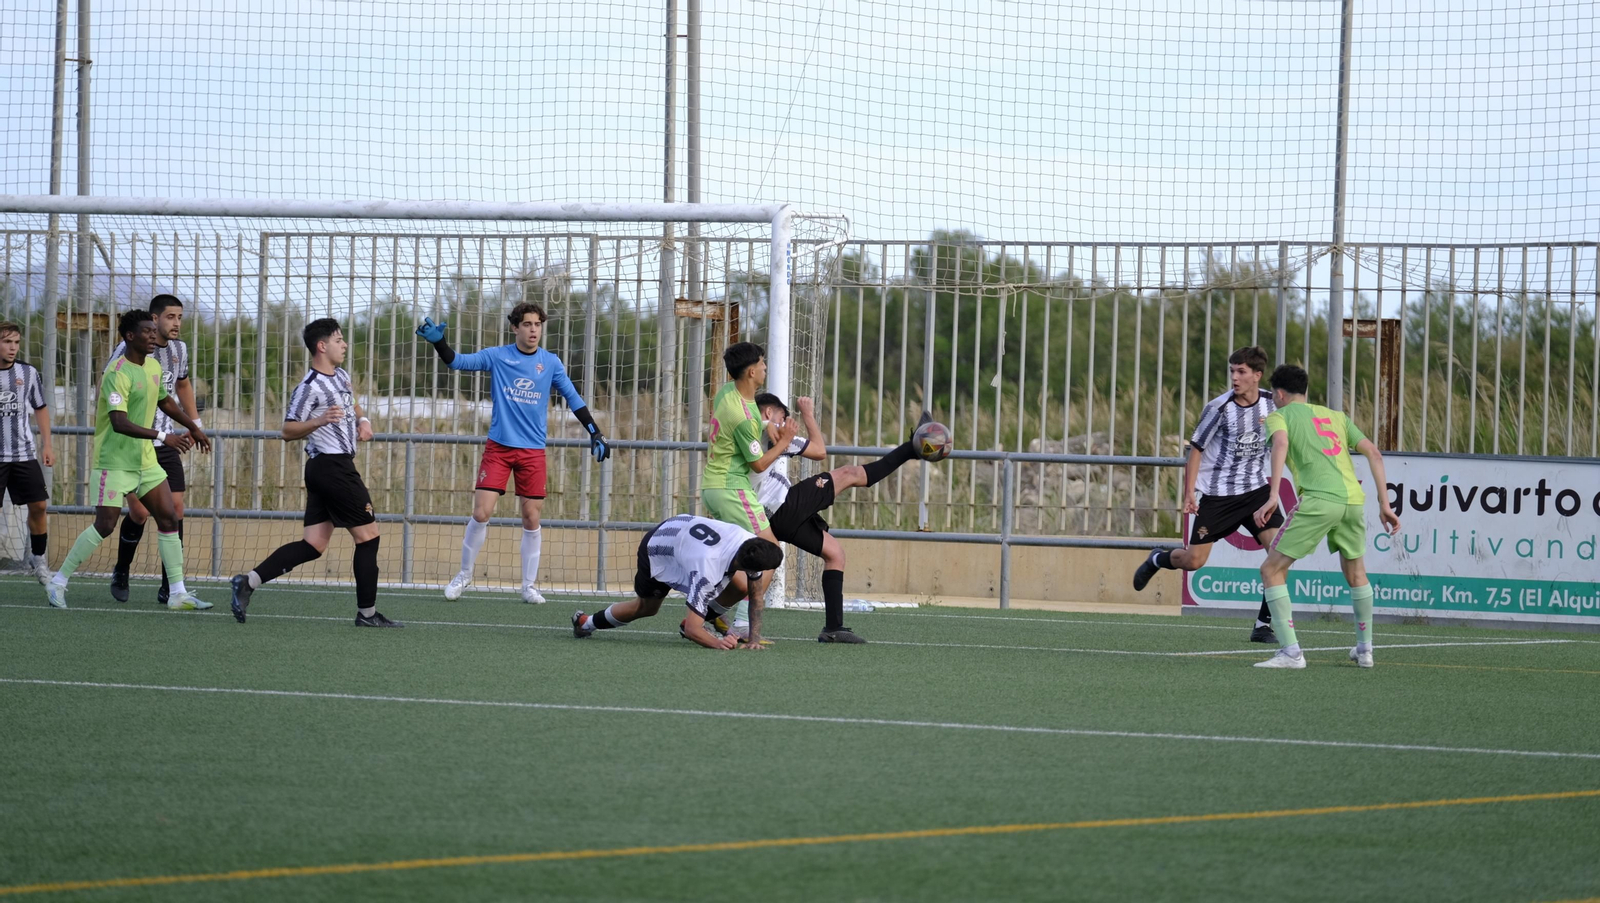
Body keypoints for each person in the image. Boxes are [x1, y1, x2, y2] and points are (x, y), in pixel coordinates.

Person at [415, 303, 610, 604]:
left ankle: (528, 586)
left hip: (532, 451)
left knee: (531, 517)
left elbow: (573, 398)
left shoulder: (550, 362)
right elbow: (457, 362)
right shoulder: (497, 356)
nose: (533, 330)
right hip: (499, 448)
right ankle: (464, 574)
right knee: (481, 512)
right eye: (527, 324)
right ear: (515, 328)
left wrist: (595, 432)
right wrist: (440, 343)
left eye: (538, 324)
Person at [229, 318, 401, 628]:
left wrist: (363, 421)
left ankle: (248, 582)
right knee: (368, 537)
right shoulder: (309, 387)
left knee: (313, 544)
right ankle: (367, 614)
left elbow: (353, 404)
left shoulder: (342, 376)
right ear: (322, 346)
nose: (344, 345)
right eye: (338, 340)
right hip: (332, 468)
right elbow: (287, 430)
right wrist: (319, 421)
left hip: (329, 468)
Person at [46, 310, 211, 610]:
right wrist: (163, 436)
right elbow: (119, 422)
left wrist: (193, 427)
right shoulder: (117, 373)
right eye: (147, 331)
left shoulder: (153, 366)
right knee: (105, 525)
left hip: (145, 461)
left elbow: (165, 400)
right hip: (114, 462)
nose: (153, 336)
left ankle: (177, 593)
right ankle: (58, 581)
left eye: (153, 331)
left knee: (169, 518)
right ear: (130, 336)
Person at [1249, 363, 1401, 669]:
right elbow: (1374, 453)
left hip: (1319, 500)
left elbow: (1281, 443)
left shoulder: (1279, 416)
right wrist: (1385, 504)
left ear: (1279, 394)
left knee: (1271, 570)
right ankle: (1365, 650)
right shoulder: (1337, 417)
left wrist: (1273, 495)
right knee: (1356, 574)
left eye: (1274, 395)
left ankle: (1291, 653)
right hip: (1353, 501)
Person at [1132, 346, 1283, 642]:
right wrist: (1189, 492)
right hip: (1219, 497)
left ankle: (1263, 626)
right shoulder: (1219, 407)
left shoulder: (1272, 404)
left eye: (1241, 372)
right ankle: (1158, 559)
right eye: (1232, 371)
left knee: (1280, 555)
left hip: (1256, 492)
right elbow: (1196, 449)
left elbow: (1286, 435)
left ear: (1257, 375)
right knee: (1194, 561)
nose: (1235, 378)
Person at [753, 392, 930, 643]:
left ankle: (833, 628)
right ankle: (910, 448)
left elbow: (817, 451)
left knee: (835, 554)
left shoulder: (766, 434)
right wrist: (807, 414)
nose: (785, 423)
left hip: (776, 518)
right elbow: (819, 451)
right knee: (849, 473)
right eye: (782, 417)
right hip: (784, 506)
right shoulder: (763, 431)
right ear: (769, 413)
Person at [107, 295, 202, 605]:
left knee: (176, 510)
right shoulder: (127, 351)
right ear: (154, 319)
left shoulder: (179, 350)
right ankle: (122, 570)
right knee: (140, 512)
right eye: (171, 317)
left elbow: (182, 384)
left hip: (166, 441)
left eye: (180, 317)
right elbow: (110, 388)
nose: (177, 323)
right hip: (134, 442)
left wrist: (194, 424)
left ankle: (171, 587)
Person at [570, 514, 783, 650]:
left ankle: (701, 616)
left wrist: (754, 639)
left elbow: (756, 595)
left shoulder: (750, 544)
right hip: (659, 546)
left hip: (685, 539)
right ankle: (585, 623)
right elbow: (692, 631)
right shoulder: (707, 571)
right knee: (646, 608)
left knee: (742, 586)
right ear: (748, 565)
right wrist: (719, 644)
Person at [700, 342, 796, 635]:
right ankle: (738, 621)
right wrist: (784, 441)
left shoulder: (726, 392)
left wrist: (766, 425)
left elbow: (748, 423)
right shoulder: (743, 416)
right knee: (770, 552)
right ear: (752, 371)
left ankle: (708, 613)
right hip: (732, 489)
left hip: (713, 486)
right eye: (762, 363)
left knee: (737, 557)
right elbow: (758, 463)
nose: (766, 367)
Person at [0, 322, 54, 582]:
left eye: (16, 342)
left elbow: (40, 408)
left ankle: (39, 558)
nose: (13, 348)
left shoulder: (28, 373)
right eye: (7, 342)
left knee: (40, 505)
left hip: (23, 454)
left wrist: (47, 444)